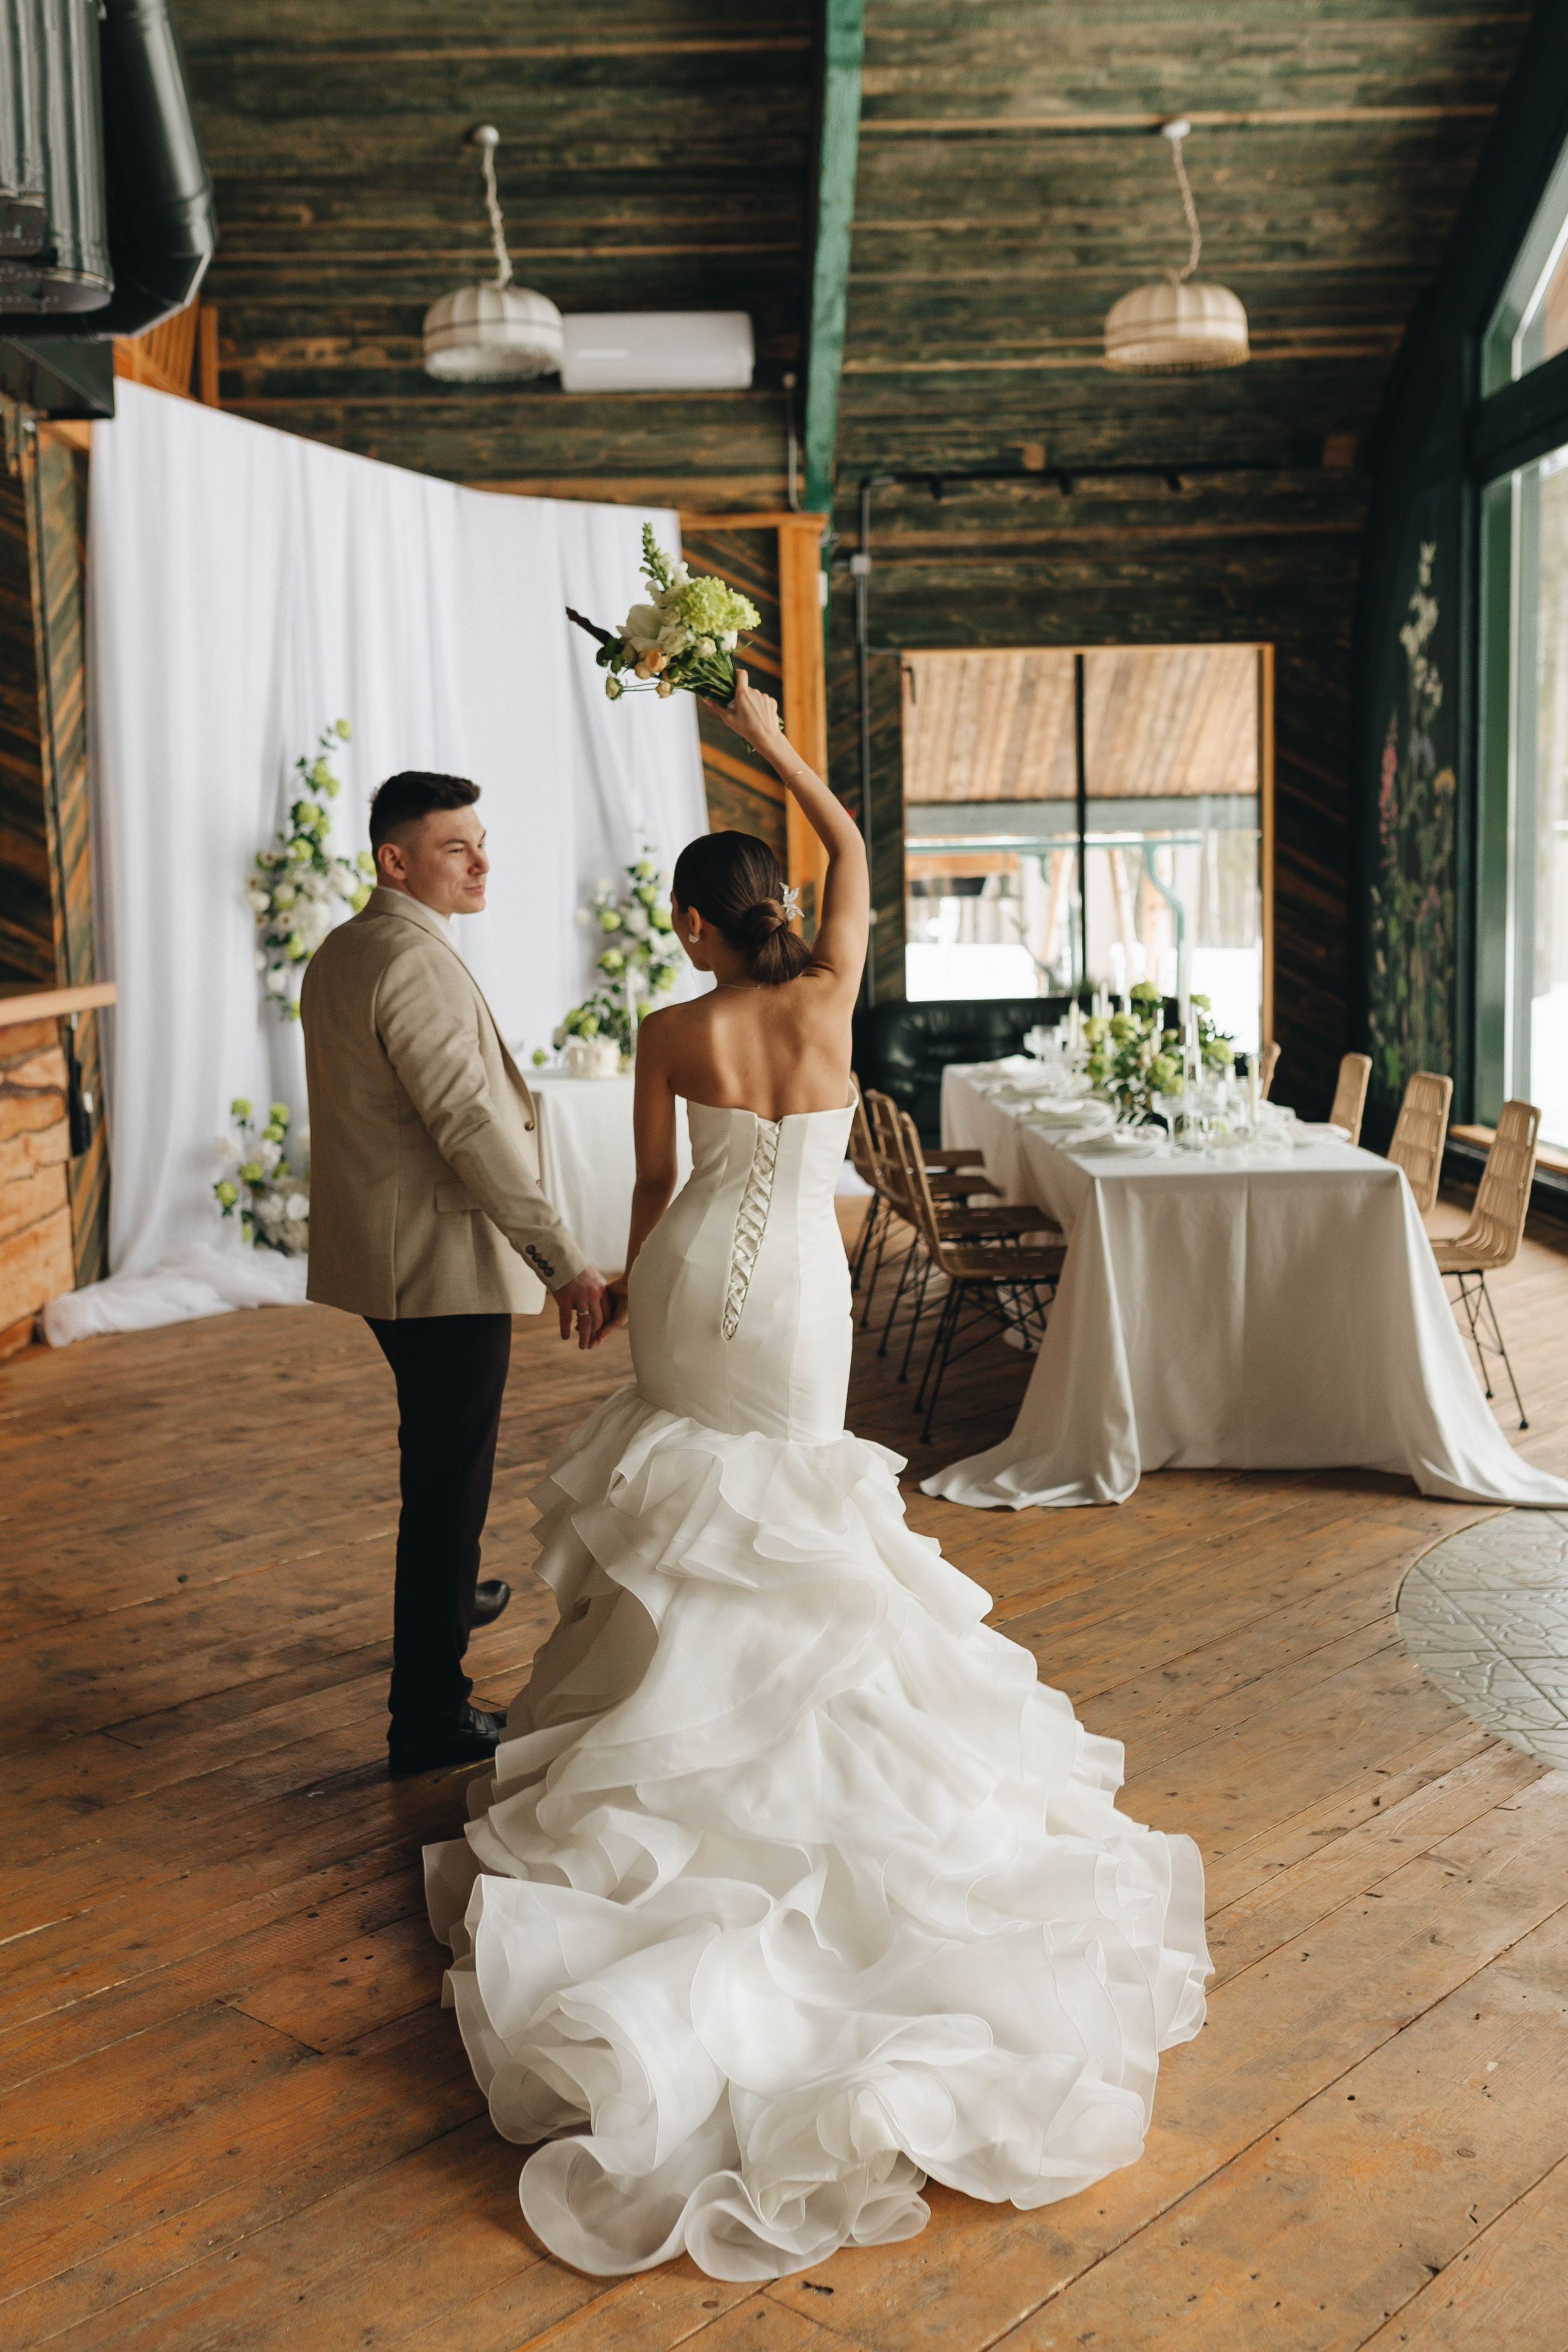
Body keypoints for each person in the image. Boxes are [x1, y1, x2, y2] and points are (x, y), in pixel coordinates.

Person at [423, 680, 1210, 2279]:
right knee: (800, 1509)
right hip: (798, 1303)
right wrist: (770, 736)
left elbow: (652, 1195)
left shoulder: (670, 1031)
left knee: (690, 1512)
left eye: (688, 927)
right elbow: (852, 839)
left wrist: (621, 1297)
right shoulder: (835, 988)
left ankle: (654, 1741)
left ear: (701, 930)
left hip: (702, 1284)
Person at [301, 770, 611, 1777]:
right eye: (454, 848)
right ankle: (428, 1714)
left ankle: (453, 1592)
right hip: (439, 1264)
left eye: (481, 841)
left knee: (440, 1462)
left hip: (387, 1256)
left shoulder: (345, 949)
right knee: (447, 1486)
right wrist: (561, 1261)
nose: (481, 862)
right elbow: (471, 1126)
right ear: (395, 861)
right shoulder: (413, 960)